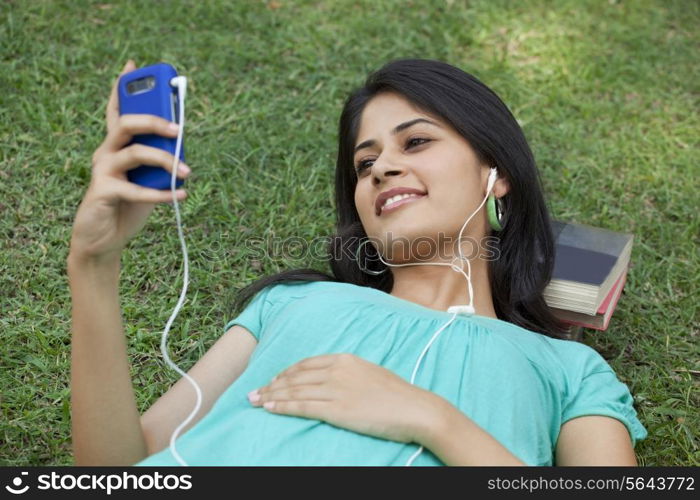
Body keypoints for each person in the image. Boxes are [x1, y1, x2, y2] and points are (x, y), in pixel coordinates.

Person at [68, 58, 647, 466]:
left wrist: (432, 420)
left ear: (495, 175)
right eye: (364, 163)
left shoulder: (571, 371)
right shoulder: (293, 304)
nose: (381, 169)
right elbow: (119, 468)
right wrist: (93, 267)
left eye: (415, 142)